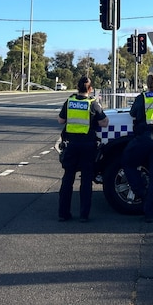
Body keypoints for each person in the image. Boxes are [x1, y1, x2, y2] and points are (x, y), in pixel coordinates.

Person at [122, 73, 153, 223]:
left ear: (147, 84)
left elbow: (132, 113)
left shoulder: (142, 97)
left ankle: (142, 192)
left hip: (146, 137)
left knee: (128, 162)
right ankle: (150, 212)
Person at [57, 75, 108, 222]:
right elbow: (104, 122)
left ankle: (63, 213)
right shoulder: (93, 104)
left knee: (68, 179)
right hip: (87, 145)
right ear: (90, 89)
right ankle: (84, 215)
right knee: (86, 181)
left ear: (77, 87)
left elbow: (61, 120)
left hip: (71, 145)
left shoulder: (70, 101)